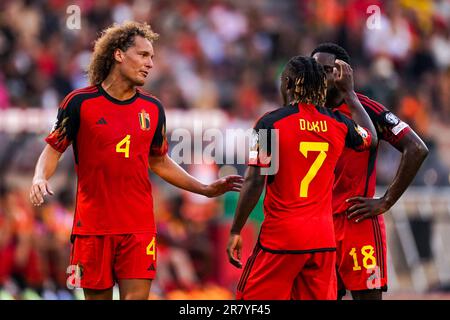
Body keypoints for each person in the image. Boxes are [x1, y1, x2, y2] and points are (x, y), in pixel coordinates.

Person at [29, 21, 243, 300]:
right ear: (119, 54)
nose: (150, 63)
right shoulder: (79, 103)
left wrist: (204, 188)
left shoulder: (153, 108)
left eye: (152, 57)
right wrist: (39, 177)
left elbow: (160, 161)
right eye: (143, 55)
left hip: (138, 227)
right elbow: (53, 148)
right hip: (92, 228)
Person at [226, 56, 377, 300]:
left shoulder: (269, 124)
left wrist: (236, 230)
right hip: (322, 239)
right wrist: (350, 94)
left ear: (287, 84)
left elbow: (254, 181)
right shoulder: (338, 122)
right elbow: (370, 138)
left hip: (281, 239)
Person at [311, 43, 429, 300]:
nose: (319, 76)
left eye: (327, 70)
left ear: (344, 73)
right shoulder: (307, 113)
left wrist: (385, 201)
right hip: (318, 224)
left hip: (357, 222)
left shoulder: (367, 110)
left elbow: (417, 149)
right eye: (314, 69)